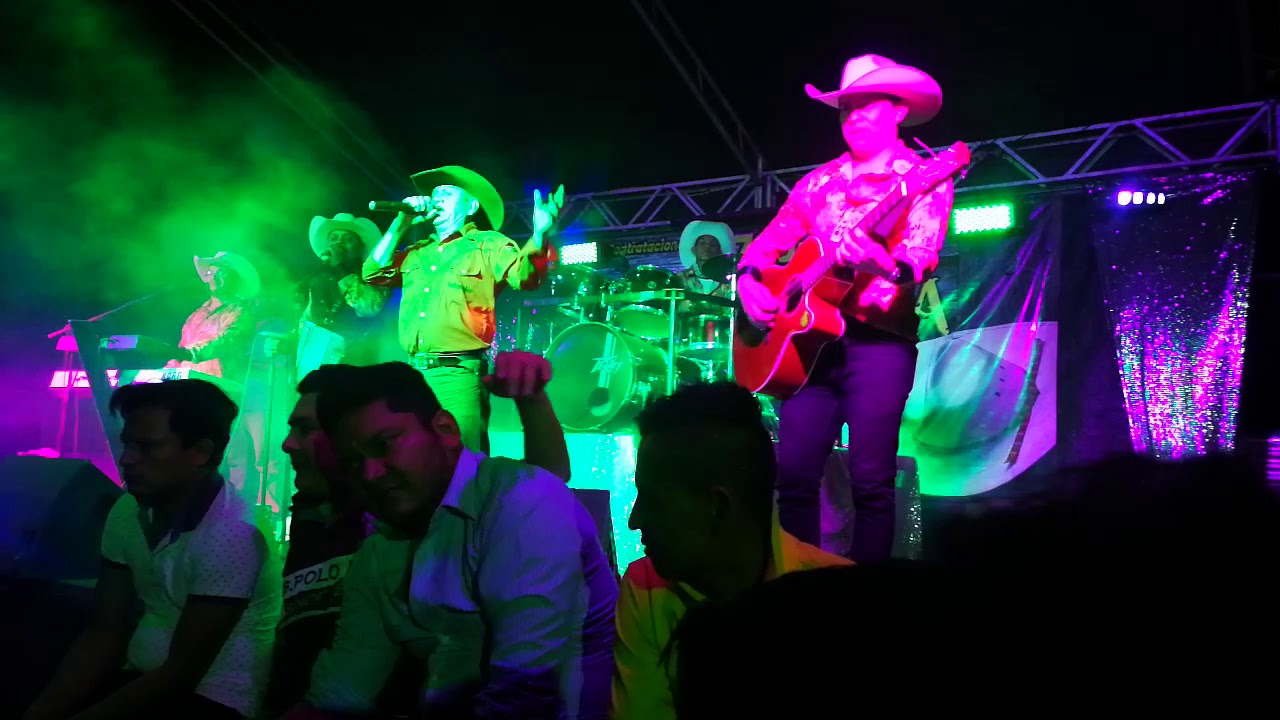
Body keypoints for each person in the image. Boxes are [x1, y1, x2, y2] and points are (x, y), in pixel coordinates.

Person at [288, 361, 614, 719]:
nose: (370, 473)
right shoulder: (379, 551)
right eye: (353, 463)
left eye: (384, 445)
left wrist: (531, 400)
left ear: (445, 429)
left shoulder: (522, 499)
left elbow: (525, 695)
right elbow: (341, 693)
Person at [736, 54, 955, 562]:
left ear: (899, 111)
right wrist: (748, 282)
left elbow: (920, 256)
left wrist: (883, 264)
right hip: (808, 350)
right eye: (845, 108)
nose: (852, 116)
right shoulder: (817, 183)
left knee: (871, 482)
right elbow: (764, 247)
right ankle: (799, 585)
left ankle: (863, 598)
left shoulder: (923, 177)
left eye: (865, 105)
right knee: (793, 478)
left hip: (878, 344)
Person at [24, 380, 282, 720]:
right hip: (142, 679)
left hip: (214, 700)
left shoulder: (233, 532)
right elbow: (104, 630)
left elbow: (180, 673)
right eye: (128, 444)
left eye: (147, 447)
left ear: (200, 452)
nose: (127, 459)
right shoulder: (127, 510)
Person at [612, 382, 850, 720]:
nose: (634, 520)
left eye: (653, 500)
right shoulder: (645, 586)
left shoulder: (841, 598)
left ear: (718, 507)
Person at [362, 165, 566, 453]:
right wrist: (401, 222)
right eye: (434, 194)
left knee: (460, 462)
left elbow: (525, 277)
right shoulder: (418, 251)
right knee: (415, 459)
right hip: (412, 375)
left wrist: (540, 234)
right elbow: (372, 272)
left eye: (447, 192)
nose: (437, 198)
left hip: (458, 375)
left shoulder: (487, 244)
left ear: (471, 206)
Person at [297, 213, 391, 373]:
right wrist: (290, 341)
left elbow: (368, 307)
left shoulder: (375, 276)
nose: (339, 243)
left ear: (361, 248)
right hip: (315, 364)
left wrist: (341, 268)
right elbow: (308, 319)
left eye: (348, 239)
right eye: (334, 238)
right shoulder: (320, 277)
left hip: (355, 364)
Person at [166, 252, 261, 382]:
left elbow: (227, 342)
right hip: (186, 380)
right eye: (210, 273)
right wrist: (168, 369)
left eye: (221, 274)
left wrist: (192, 353)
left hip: (217, 384)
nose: (214, 278)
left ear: (234, 280)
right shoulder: (196, 315)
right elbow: (181, 349)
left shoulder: (242, 312)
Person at [677, 220, 735, 301]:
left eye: (712, 244)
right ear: (694, 250)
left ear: (719, 252)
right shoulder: (679, 279)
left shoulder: (731, 282)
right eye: (702, 243)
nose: (707, 247)